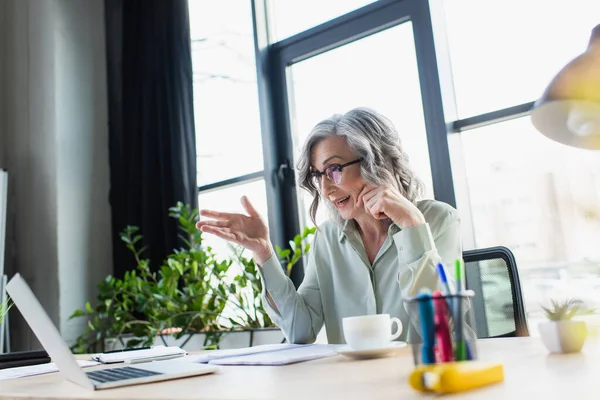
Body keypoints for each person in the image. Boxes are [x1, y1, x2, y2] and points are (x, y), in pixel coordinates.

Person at [196, 107, 461, 344]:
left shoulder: (438, 220)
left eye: (334, 169)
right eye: (317, 175)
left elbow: (438, 327)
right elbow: (301, 329)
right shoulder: (328, 238)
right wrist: (264, 253)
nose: (324, 188)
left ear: (375, 162)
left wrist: (412, 226)